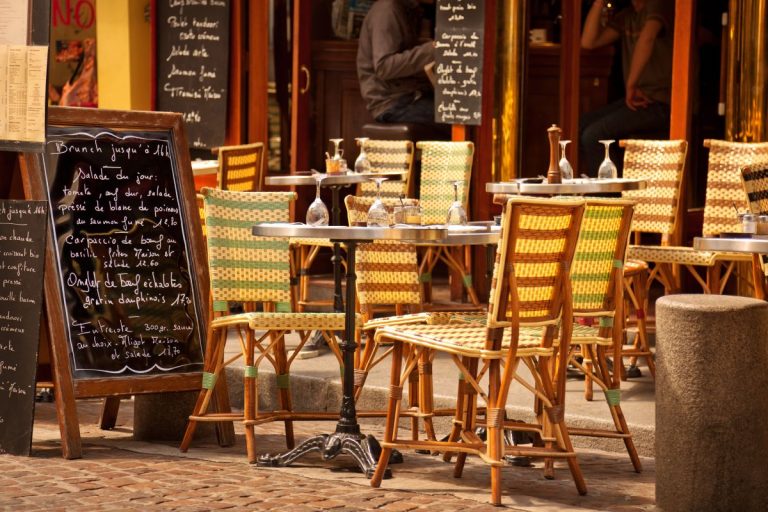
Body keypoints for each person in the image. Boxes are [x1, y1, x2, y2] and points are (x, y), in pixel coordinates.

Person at [580, 0, 674, 176]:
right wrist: (599, 3)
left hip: (662, 102)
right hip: (639, 99)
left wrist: (631, 85)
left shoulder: (659, 6)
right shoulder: (628, 16)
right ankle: (604, 190)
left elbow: (648, 37)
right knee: (580, 126)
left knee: (594, 135)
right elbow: (588, 42)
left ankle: (610, 200)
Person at [356, 0, 439, 125]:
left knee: (455, 110)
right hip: (392, 102)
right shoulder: (387, 9)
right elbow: (384, 67)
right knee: (455, 116)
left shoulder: (408, 9)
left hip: (405, 97)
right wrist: (431, 50)